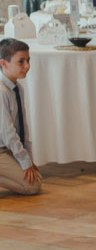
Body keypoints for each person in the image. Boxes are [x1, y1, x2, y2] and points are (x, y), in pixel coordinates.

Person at [0, 39, 41, 196]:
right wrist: (24, 162)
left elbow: (23, 126)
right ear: (4, 63)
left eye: (28, 60)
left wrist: (28, 159)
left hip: (5, 148)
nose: (27, 66)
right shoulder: (2, 92)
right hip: (2, 148)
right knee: (32, 186)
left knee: (35, 178)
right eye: (21, 62)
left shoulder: (18, 89)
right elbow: (8, 133)